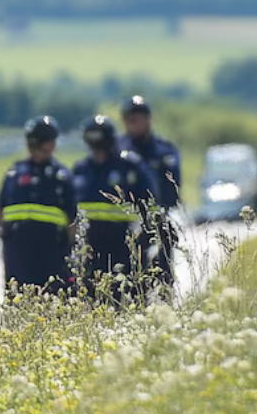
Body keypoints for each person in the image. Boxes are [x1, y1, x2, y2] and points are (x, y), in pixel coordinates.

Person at [72, 115, 158, 292]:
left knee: (128, 295)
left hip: (125, 242)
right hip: (91, 244)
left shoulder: (130, 166)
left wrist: (144, 240)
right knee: (92, 296)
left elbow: (151, 205)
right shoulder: (82, 169)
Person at [0, 115, 76, 292]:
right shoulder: (15, 172)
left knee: (53, 299)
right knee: (18, 299)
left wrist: (70, 251)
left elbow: (73, 218)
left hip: (51, 251)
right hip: (17, 250)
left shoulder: (61, 176)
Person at [118, 95, 182, 285]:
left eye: (139, 119)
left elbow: (173, 185)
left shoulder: (164, 150)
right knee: (131, 275)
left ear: (148, 119)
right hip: (127, 221)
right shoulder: (118, 150)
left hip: (158, 216)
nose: (135, 124)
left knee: (163, 272)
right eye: (130, 120)